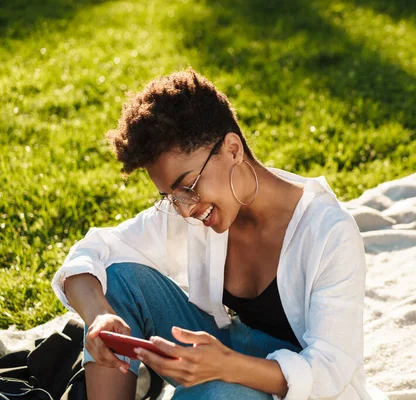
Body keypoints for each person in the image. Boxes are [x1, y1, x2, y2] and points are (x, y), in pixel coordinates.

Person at [51, 68, 371, 399]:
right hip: (229, 349)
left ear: (233, 149)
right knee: (118, 282)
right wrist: (99, 315)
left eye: (187, 186)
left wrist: (225, 367)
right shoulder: (199, 211)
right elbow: (93, 252)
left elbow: (330, 372)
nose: (185, 209)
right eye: (171, 198)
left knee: (217, 394)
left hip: (300, 390)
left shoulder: (330, 233)